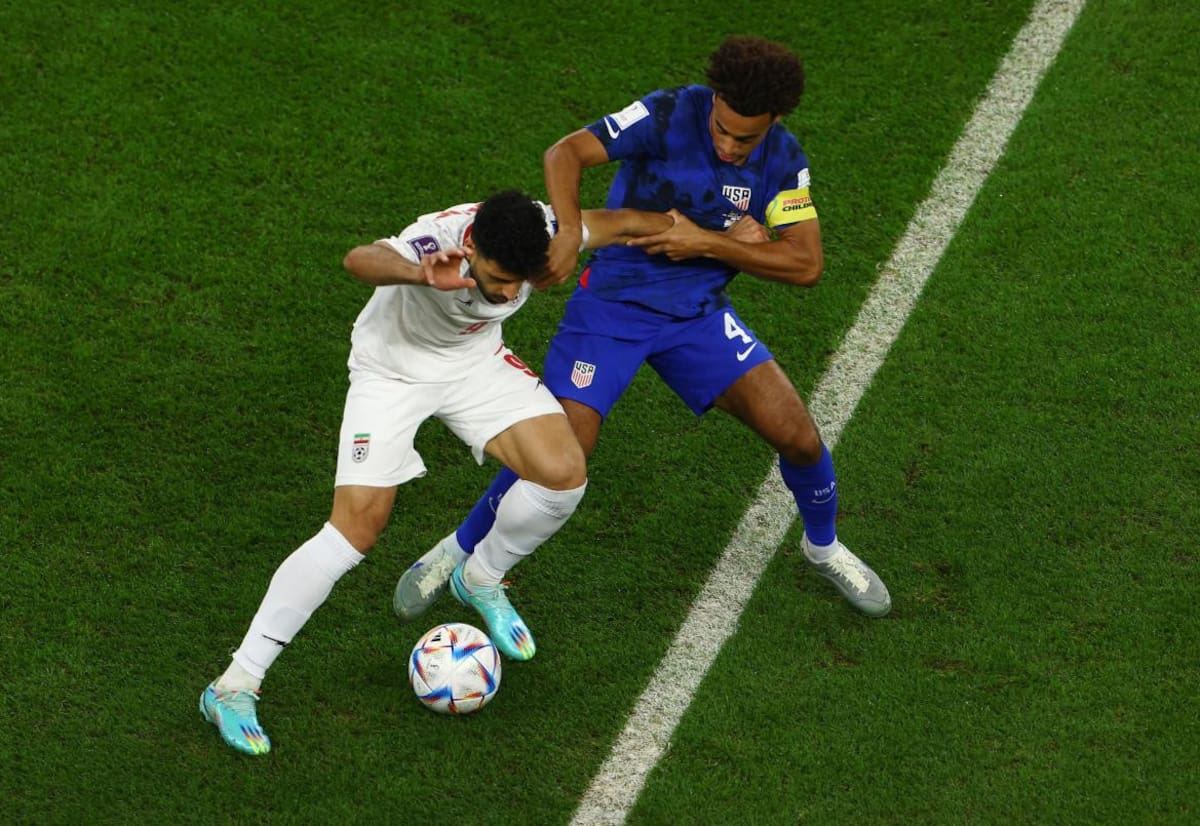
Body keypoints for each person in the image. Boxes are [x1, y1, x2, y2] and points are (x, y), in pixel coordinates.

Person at [395, 36, 891, 628]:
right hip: (611, 307)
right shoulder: (667, 113)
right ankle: (460, 550)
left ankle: (823, 547)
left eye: (745, 139)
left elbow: (806, 264)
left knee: (800, 436)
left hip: (698, 315)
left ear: (775, 121)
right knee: (561, 451)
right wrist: (569, 232)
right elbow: (566, 153)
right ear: (714, 101)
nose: (729, 146)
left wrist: (705, 241)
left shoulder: (783, 162)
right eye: (722, 130)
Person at [200, 190, 675, 755]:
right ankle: (234, 685)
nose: (504, 292)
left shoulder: (540, 233)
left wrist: (702, 232)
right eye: (497, 277)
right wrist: (420, 274)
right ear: (471, 245)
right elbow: (359, 260)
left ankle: (480, 577)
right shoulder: (438, 239)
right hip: (392, 374)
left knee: (563, 472)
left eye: (516, 282)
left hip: (473, 366)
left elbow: (621, 223)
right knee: (355, 531)